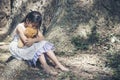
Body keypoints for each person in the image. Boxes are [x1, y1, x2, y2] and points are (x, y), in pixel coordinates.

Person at [9, 11, 69, 75]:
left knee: (44, 43)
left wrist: (34, 40)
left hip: (30, 45)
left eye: (36, 26)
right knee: (38, 48)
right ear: (27, 20)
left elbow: (42, 38)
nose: (34, 27)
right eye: (33, 25)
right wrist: (35, 41)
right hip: (20, 47)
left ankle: (58, 64)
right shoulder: (20, 27)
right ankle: (46, 67)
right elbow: (25, 41)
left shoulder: (34, 27)